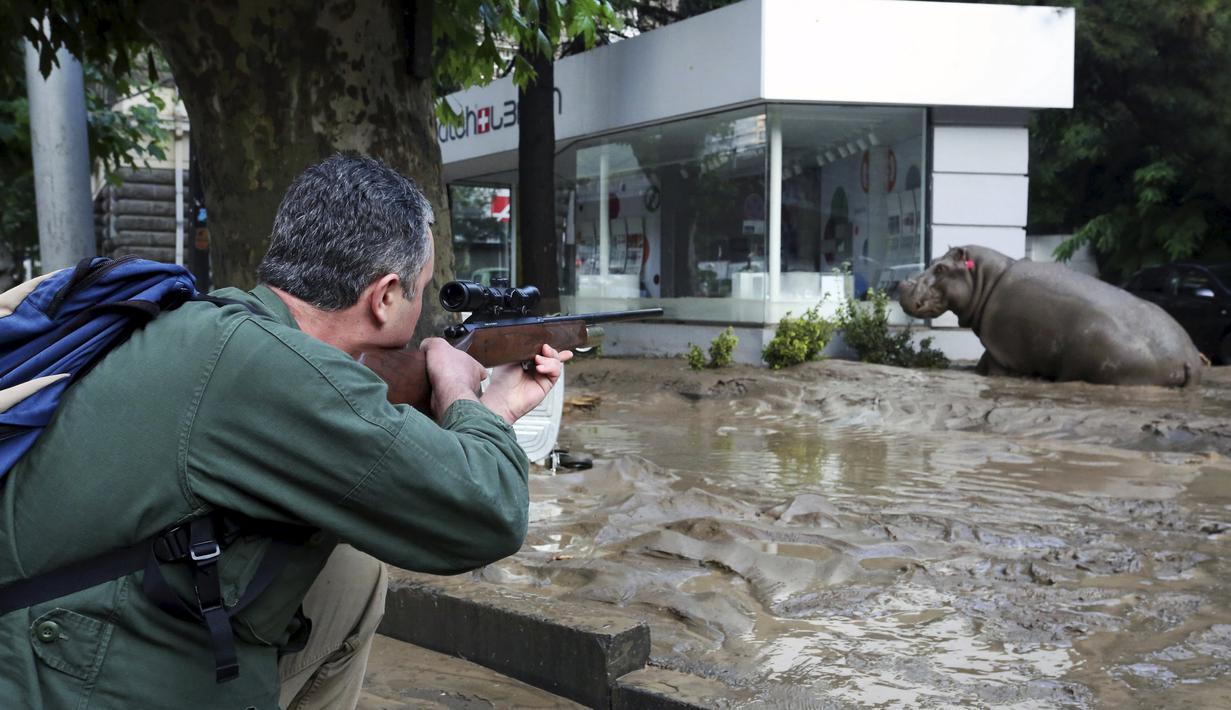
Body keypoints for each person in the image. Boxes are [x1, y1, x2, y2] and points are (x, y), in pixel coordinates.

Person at [0, 154, 570, 709]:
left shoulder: (217, 325)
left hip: (63, 626)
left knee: (350, 576)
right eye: (419, 291)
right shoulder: (268, 373)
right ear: (385, 295)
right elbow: (487, 513)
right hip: (61, 672)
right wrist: (471, 401)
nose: (421, 316)